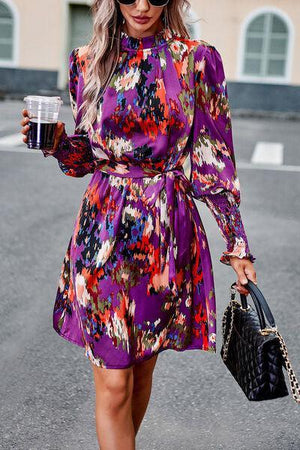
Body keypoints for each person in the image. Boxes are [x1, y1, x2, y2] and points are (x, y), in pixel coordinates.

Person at [20, 0, 257, 448]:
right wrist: (54, 143)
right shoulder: (85, 62)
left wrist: (238, 243)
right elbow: (88, 157)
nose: (143, 6)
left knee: (141, 370)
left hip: (164, 235)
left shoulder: (195, 61)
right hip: (103, 232)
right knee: (113, 383)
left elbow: (212, 160)